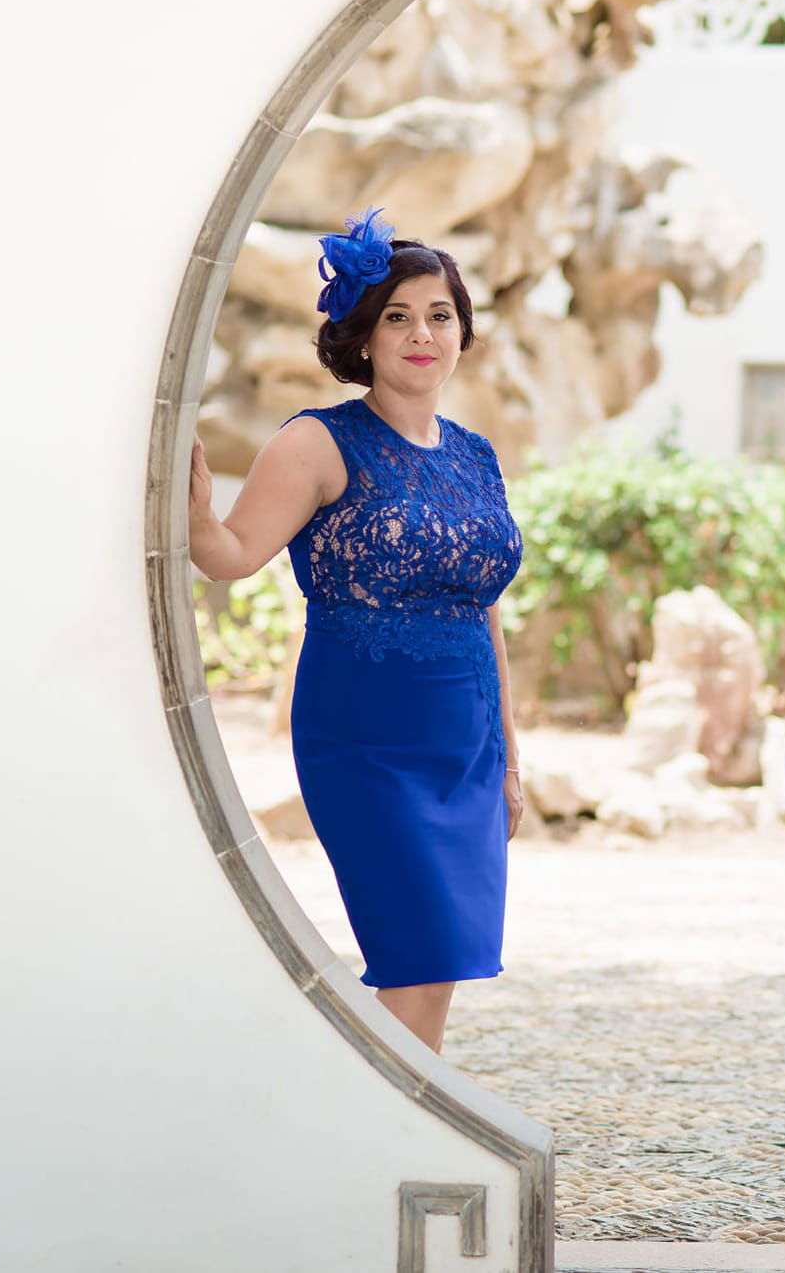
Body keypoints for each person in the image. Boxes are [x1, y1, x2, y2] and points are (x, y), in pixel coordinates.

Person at [187, 207, 525, 1054]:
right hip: (367, 743)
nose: (422, 334)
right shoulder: (318, 441)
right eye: (398, 317)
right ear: (363, 338)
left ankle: (388, 1142)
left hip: (469, 741)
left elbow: (485, 606)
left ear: (462, 332)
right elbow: (229, 554)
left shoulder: (475, 454)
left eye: (440, 316)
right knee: (413, 950)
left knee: (440, 961)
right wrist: (187, 506)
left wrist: (511, 757)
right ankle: (373, 1146)